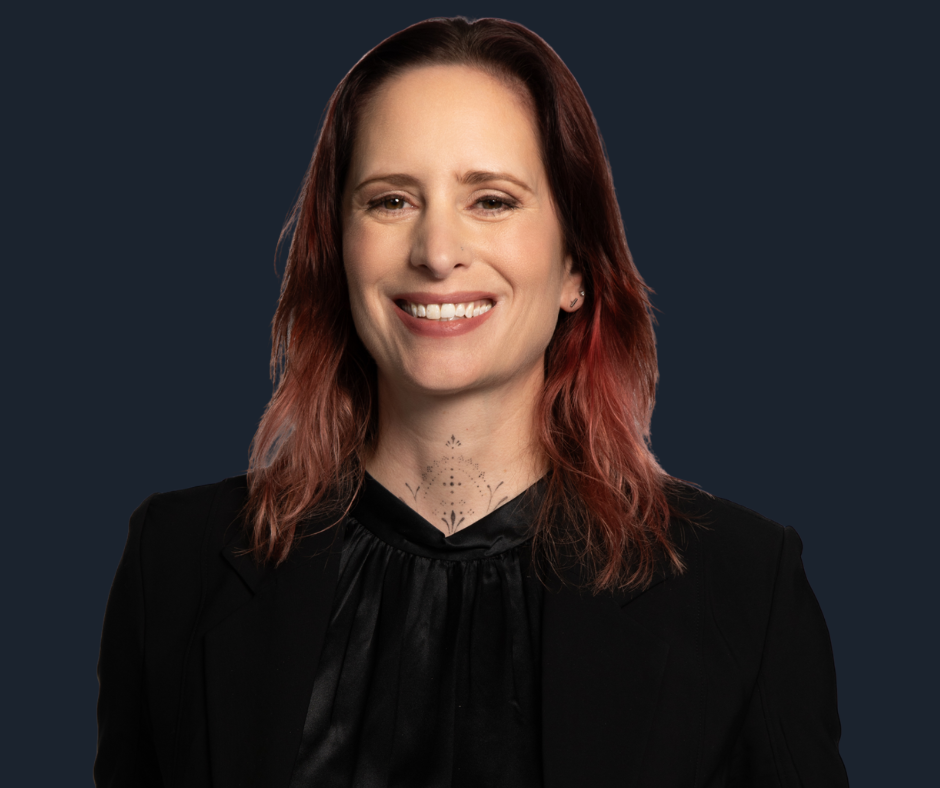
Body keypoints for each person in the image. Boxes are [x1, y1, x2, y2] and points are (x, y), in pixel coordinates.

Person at [95, 16, 849, 788]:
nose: (437, 251)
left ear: (575, 269)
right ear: (337, 252)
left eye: (491, 200)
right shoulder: (175, 565)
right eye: (390, 201)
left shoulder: (743, 589)